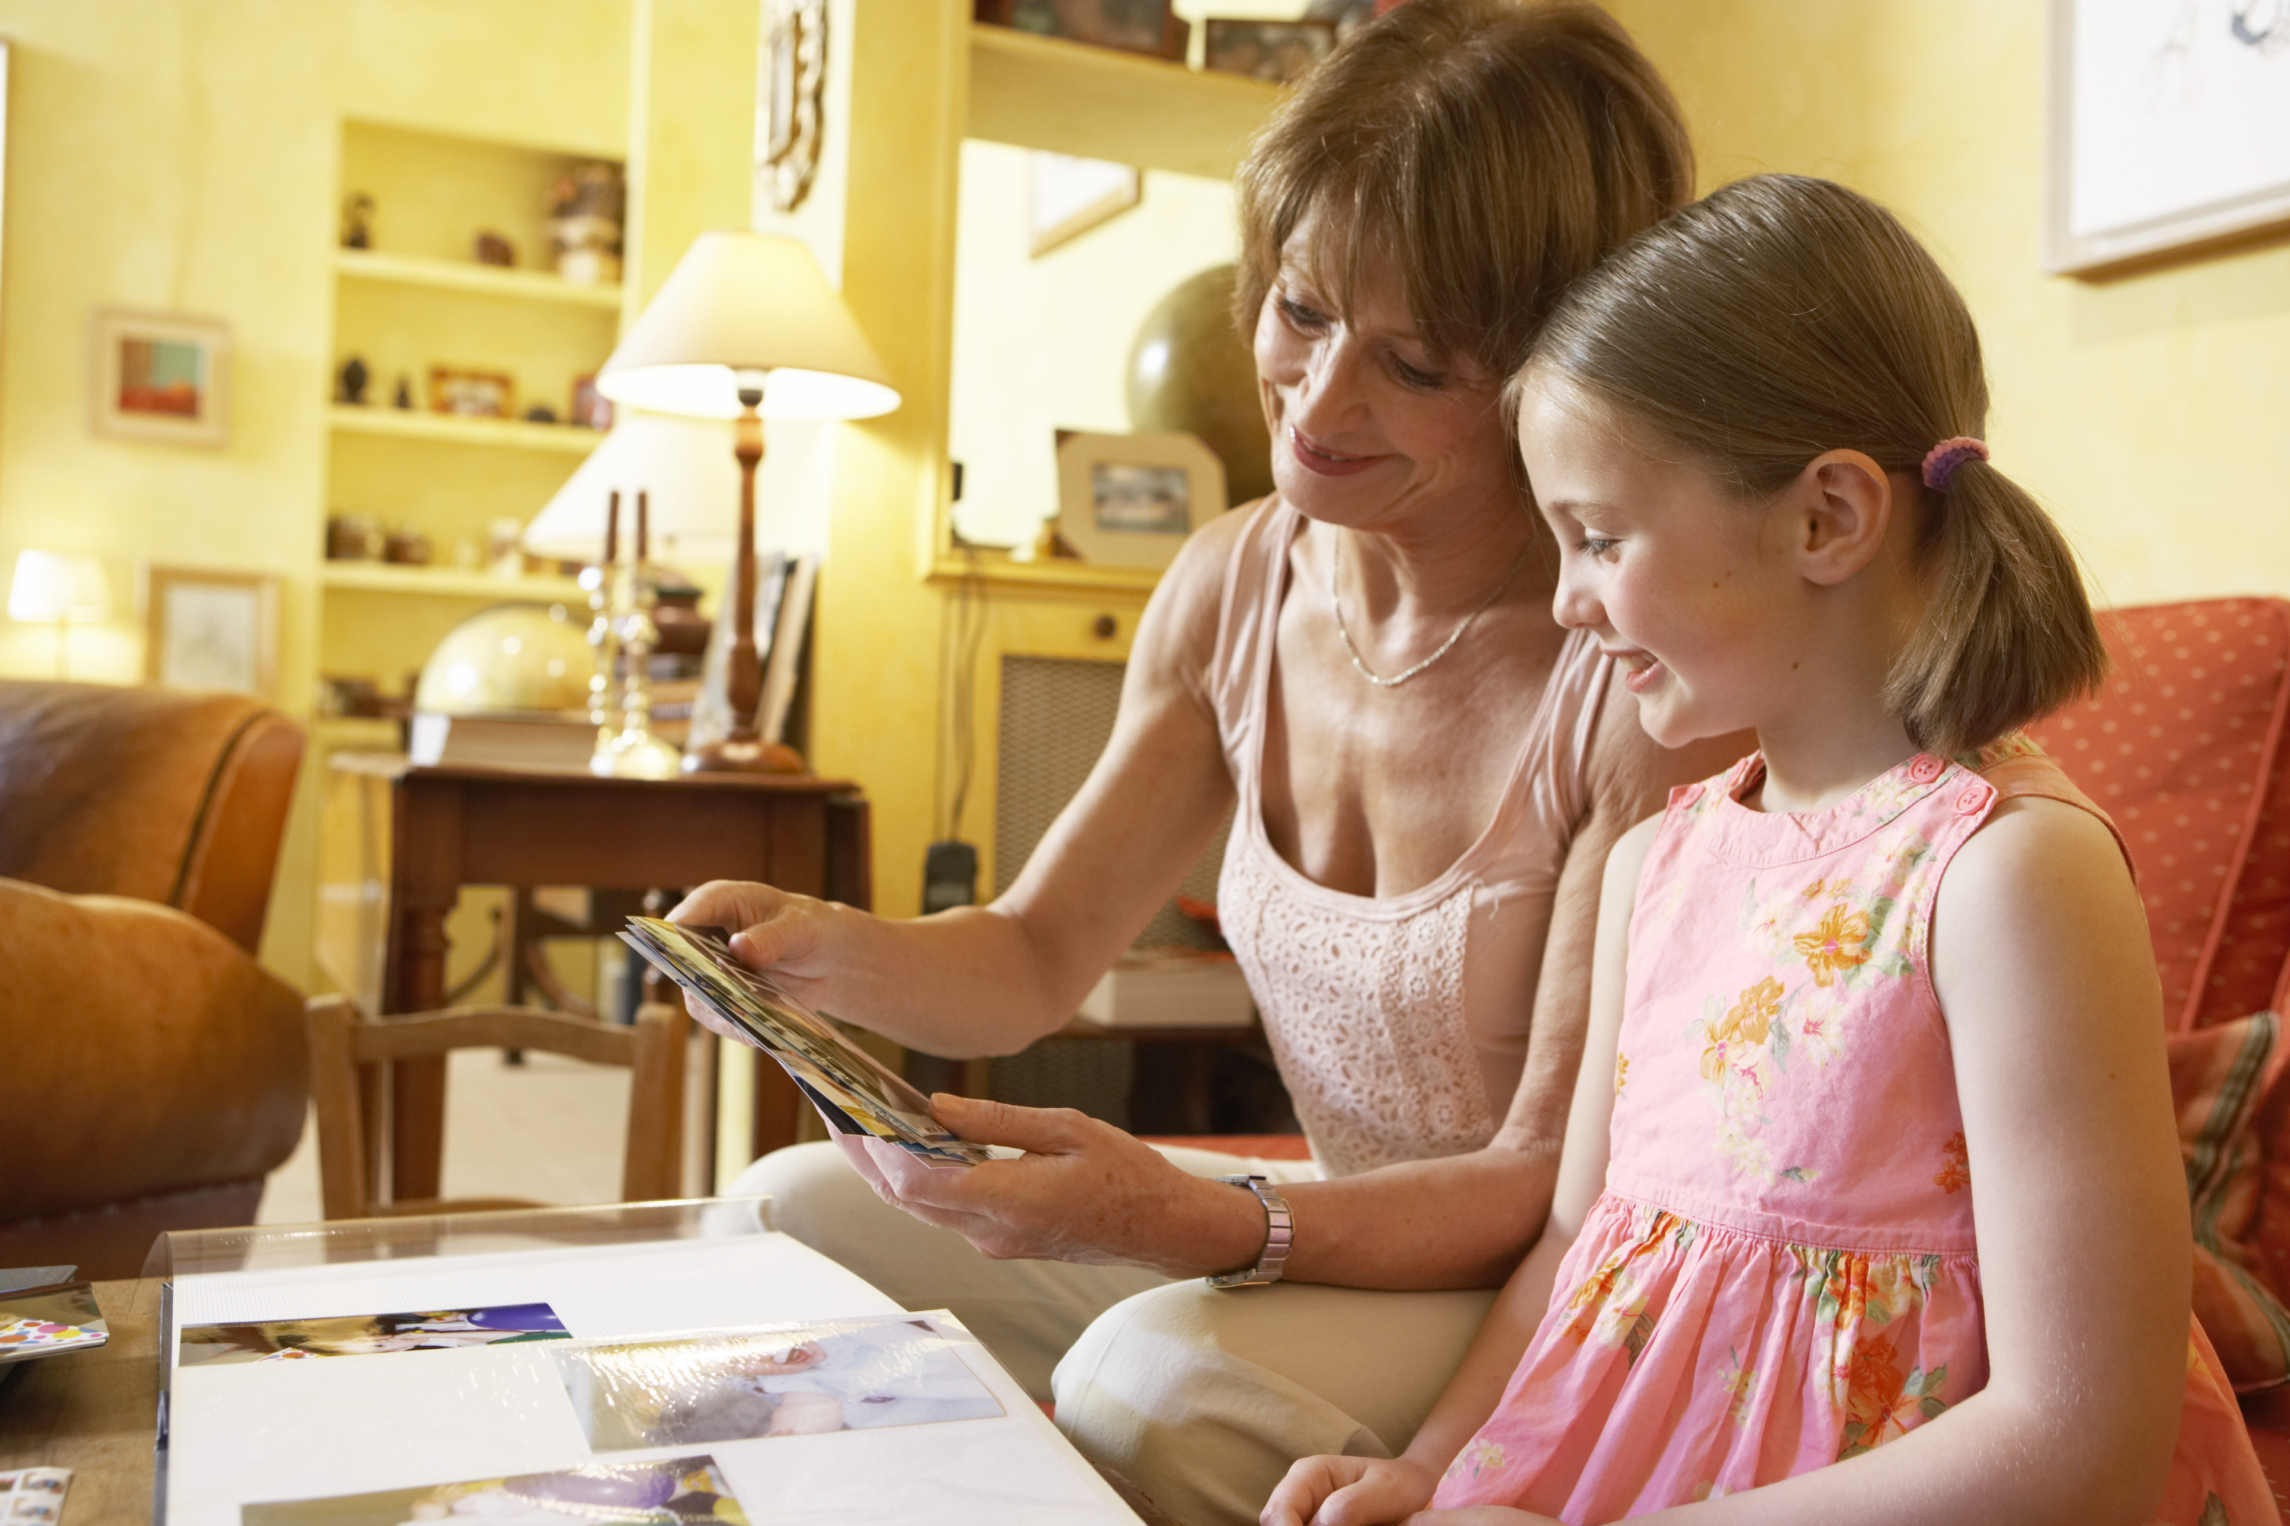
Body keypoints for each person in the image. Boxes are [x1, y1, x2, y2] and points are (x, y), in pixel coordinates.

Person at [674, 4, 1744, 1520]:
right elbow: (1035, 955)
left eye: (1413, 363)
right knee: (784, 1212)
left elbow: (1536, 1185)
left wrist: (1187, 1212)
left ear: (1553, 373)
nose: (1315, 402)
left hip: (1536, 1278)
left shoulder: (1629, 669)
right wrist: (819, 956)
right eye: (1300, 312)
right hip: (1331, 1228)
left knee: (1152, 1381)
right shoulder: (1232, 582)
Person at [1262, 173, 2278, 1526]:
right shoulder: (1659, 861)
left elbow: (2075, 1436)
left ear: (1824, 519)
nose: (1566, 601)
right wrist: (1426, 1468)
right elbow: (1575, 1241)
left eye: (1598, 538)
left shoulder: (2009, 874)